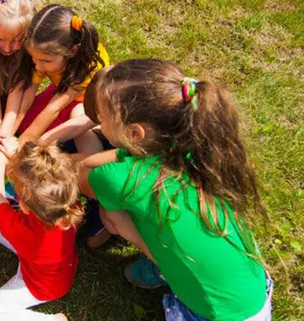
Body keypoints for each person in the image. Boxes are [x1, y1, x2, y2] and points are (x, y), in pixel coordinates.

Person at [79, 59, 273, 321]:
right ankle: (167, 264)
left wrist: (126, 230)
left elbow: (86, 169)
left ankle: (163, 264)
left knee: (112, 216)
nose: (98, 119)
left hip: (215, 315)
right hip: (252, 287)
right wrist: (129, 151)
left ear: (136, 133)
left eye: (102, 114)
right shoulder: (192, 143)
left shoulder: (117, 179)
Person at [0, 139, 80, 321]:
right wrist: (18, 162)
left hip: (42, 286)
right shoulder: (65, 201)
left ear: (24, 206)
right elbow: (41, 179)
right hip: (58, 268)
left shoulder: (24, 230)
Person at [0, 5, 109, 146]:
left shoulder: (88, 68)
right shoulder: (43, 49)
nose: (37, 66)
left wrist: (21, 144)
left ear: (73, 51)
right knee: (25, 124)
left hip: (85, 100)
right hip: (62, 88)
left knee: (59, 135)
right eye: (34, 58)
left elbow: (54, 107)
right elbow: (29, 89)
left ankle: (97, 129)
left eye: (45, 61)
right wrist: (10, 131)